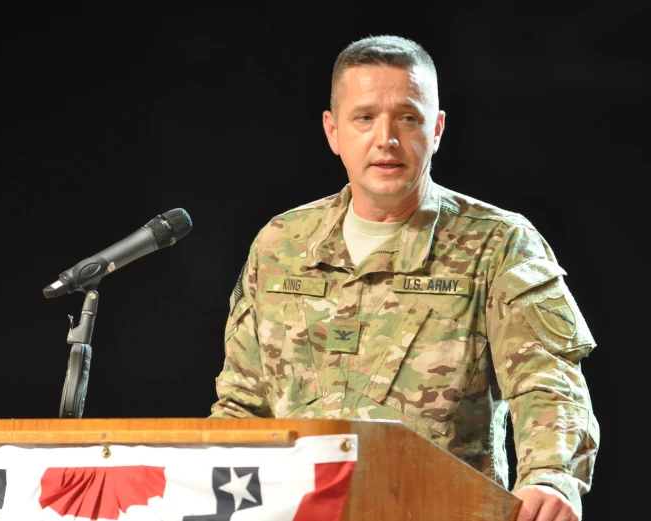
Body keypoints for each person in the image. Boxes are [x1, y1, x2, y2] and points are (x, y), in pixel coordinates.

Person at [209, 34, 600, 521]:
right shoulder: (281, 244)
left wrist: (551, 475)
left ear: (436, 129)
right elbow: (243, 407)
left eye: (408, 117)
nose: (386, 139)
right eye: (365, 117)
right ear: (333, 132)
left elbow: (548, 384)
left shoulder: (496, 244)